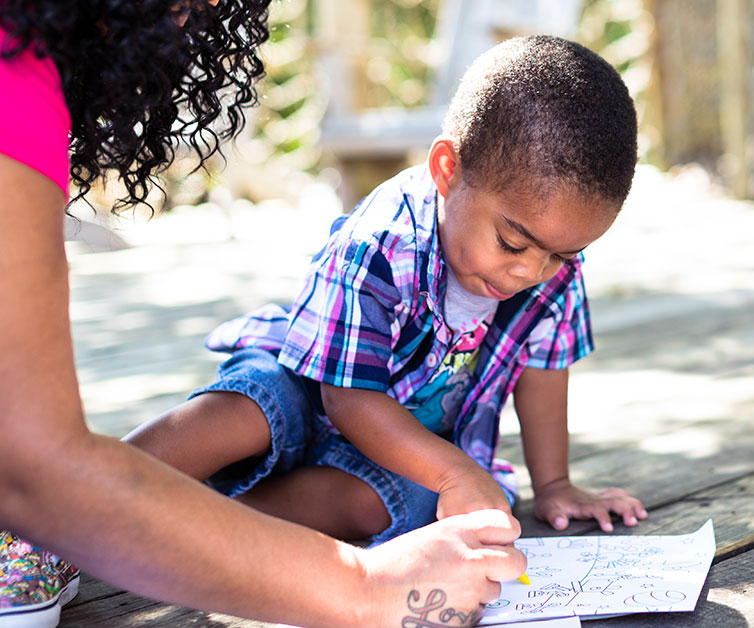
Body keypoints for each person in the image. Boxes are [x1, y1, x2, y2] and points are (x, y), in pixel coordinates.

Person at [0, 1, 524, 627]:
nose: (198, 21)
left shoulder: (31, 80)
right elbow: (29, 473)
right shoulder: (15, 87)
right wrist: (366, 585)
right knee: (261, 398)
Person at [123, 34, 648, 553]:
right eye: (512, 243)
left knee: (417, 505)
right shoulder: (380, 243)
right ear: (448, 169)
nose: (531, 271)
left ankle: (204, 519)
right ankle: (81, 492)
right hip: (310, 390)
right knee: (254, 404)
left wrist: (553, 484)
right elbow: (346, 396)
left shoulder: (553, 272)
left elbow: (544, 373)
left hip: (399, 450)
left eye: (560, 254)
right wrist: (455, 471)